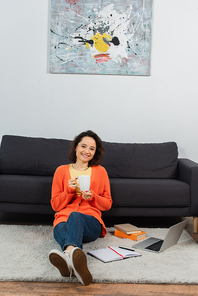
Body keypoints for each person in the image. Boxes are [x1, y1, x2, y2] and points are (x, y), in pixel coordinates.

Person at [49, 130, 112, 286]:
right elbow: (56, 205)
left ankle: (67, 257)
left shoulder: (101, 171)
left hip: (90, 222)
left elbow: (107, 204)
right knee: (64, 224)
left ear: (95, 152)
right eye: (83, 146)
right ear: (76, 147)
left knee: (75, 216)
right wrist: (68, 191)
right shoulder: (61, 171)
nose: (87, 151)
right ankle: (72, 257)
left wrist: (92, 197)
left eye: (92, 148)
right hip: (63, 220)